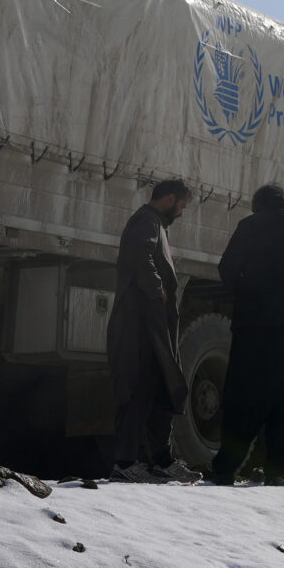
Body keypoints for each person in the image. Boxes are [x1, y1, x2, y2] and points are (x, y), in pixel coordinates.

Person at [211, 182, 284, 483]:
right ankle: (274, 472)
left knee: (243, 397)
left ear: (258, 205)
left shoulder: (249, 226)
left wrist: (247, 295)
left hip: (254, 327)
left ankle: (226, 469)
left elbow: (226, 269)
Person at [104, 178, 192, 478]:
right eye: (181, 207)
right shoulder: (146, 222)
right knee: (137, 391)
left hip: (151, 326)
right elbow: (141, 255)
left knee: (159, 391)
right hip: (140, 327)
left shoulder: (154, 223)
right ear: (169, 199)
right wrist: (157, 290)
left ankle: (162, 460)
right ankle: (126, 462)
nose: (181, 213)